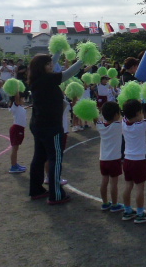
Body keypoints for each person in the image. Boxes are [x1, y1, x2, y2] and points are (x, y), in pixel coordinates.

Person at [27, 52, 83, 205]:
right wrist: (83, 60)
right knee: (55, 159)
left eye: (50, 63)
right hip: (50, 126)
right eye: (48, 64)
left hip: (38, 124)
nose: (51, 65)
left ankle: (36, 190)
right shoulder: (48, 79)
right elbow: (67, 73)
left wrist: (57, 52)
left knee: (39, 158)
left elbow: (52, 66)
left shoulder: (36, 79)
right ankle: (56, 194)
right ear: (41, 67)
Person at [121, 99, 146, 223]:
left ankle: (127, 211)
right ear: (138, 113)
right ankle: (140, 214)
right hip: (138, 161)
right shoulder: (140, 125)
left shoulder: (124, 122)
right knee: (139, 188)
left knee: (128, 186)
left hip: (127, 160)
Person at [97, 101, 125, 212]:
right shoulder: (118, 126)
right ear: (116, 115)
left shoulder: (100, 126)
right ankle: (114, 204)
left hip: (103, 159)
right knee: (114, 182)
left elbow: (96, 119)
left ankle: (104, 203)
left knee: (104, 180)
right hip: (114, 159)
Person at [9, 89, 28, 173]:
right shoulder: (15, 106)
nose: (24, 100)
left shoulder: (19, 107)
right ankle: (13, 166)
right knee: (14, 148)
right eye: (22, 98)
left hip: (19, 129)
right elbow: (16, 97)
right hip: (16, 129)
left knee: (16, 149)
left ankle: (15, 164)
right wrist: (16, 88)